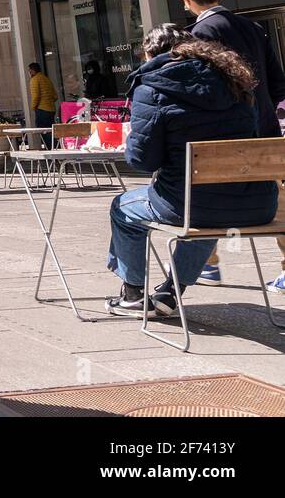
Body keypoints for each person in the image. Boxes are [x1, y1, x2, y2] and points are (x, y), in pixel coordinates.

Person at [106, 25, 278, 317]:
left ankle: (133, 293)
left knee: (123, 209)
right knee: (208, 198)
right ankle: (171, 292)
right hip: (257, 205)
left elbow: (142, 161)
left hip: (191, 206)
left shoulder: (152, 88)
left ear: (150, 55)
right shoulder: (233, 80)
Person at [177, 0, 285, 290]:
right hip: (266, 130)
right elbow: (279, 84)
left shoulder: (197, 35)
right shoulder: (254, 28)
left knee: (205, 194)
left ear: (185, 0)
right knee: (279, 197)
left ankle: (207, 264)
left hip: (225, 134)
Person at [27, 62, 58, 148]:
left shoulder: (34, 80)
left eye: (29, 70)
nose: (29, 73)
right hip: (51, 109)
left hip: (42, 110)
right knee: (51, 132)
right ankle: (57, 150)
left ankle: (52, 153)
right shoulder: (46, 79)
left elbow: (36, 96)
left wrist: (33, 107)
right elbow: (55, 96)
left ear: (33, 70)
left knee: (44, 133)